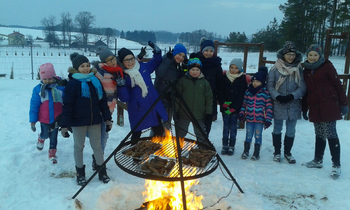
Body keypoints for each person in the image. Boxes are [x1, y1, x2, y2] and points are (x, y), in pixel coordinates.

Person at [60, 53, 112, 185]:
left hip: (94, 121)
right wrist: (64, 125)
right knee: (79, 147)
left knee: (97, 147)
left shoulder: (95, 81)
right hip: (78, 122)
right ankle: (80, 174)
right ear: (76, 68)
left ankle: (102, 172)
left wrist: (107, 119)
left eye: (88, 65)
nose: (86, 68)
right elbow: (67, 106)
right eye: (82, 66)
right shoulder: (73, 84)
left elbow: (102, 102)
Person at [301, 44, 348, 177]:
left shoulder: (327, 66)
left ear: (320, 56)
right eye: (310, 55)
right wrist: (304, 108)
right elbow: (306, 91)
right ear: (307, 56)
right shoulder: (306, 70)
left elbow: (338, 85)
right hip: (315, 106)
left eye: (315, 55)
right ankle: (318, 160)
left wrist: (344, 104)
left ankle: (336, 164)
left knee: (331, 134)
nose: (312, 57)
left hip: (329, 106)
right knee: (319, 133)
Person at [117, 41, 168, 145]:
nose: (130, 62)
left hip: (152, 104)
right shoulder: (123, 76)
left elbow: (156, 62)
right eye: (127, 60)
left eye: (131, 58)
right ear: (122, 62)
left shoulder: (143, 67)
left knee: (159, 130)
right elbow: (124, 98)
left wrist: (157, 52)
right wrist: (121, 86)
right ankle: (135, 158)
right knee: (136, 135)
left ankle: (156, 152)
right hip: (137, 108)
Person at [267, 41, 306, 163]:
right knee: (277, 128)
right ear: (283, 55)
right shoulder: (274, 69)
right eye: (288, 54)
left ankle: (288, 152)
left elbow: (303, 87)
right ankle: (277, 151)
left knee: (291, 129)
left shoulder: (298, 69)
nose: (291, 57)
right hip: (279, 103)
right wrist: (277, 96)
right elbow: (270, 85)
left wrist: (292, 96)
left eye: (293, 54)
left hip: (293, 103)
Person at [92, 46, 125, 170]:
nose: (112, 61)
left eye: (113, 58)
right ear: (103, 62)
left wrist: (121, 85)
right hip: (100, 109)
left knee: (104, 135)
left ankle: (97, 159)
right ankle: (98, 161)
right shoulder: (99, 73)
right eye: (108, 60)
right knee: (101, 136)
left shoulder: (117, 71)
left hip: (109, 110)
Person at [29, 63, 65, 164]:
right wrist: (33, 121)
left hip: (57, 118)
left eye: (50, 79)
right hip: (44, 119)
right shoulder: (38, 89)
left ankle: (52, 153)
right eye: (45, 79)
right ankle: (41, 138)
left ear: (54, 77)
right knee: (45, 135)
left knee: (54, 137)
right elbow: (34, 105)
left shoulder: (60, 88)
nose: (47, 81)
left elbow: (66, 101)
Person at [239, 67, 273, 160]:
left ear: (262, 82)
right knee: (248, 134)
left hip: (259, 119)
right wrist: (242, 113)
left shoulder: (265, 93)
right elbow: (244, 104)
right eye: (253, 81)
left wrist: (268, 119)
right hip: (249, 118)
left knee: (258, 135)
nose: (255, 83)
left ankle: (256, 152)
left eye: (257, 81)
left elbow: (269, 107)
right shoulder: (248, 92)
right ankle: (246, 151)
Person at [176, 58, 213, 142]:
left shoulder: (205, 83)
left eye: (197, 70)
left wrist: (208, 113)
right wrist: (177, 111)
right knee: (181, 132)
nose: (195, 72)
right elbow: (177, 97)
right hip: (184, 113)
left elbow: (209, 98)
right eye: (192, 69)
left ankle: (202, 149)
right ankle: (177, 148)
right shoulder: (182, 81)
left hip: (199, 113)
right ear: (188, 70)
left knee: (200, 133)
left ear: (200, 71)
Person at [154, 43, 188, 131]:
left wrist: (184, 68)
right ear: (174, 53)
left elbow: (179, 77)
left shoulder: (175, 65)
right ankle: (154, 143)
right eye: (179, 54)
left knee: (166, 124)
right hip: (160, 98)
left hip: (169, 99)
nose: (180, 58)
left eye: (183, 56)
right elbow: (159, 73)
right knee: (158, 126)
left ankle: (164, 142)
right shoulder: (166, 60)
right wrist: (168, 59)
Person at [193, 38, 223, 137]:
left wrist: (221, 99)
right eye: (206, 50)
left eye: (211, 51)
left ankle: (205, 141)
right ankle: (199, 140)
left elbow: (220, 83)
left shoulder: (217, 65)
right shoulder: (196, 62)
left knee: (208, 121)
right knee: (197, 120)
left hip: (211, 98)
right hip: (197, 97)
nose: (208, 53)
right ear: (202, 50)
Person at [217, 58, 248, 155]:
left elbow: (241, 95)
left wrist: (235, 107)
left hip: (235, 109)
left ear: (240, 69)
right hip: (225, 107)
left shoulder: (242, 79)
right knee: (226, 126)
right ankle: (225, 145)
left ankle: (232, 146)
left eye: (235, 68)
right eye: (231, 67)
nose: (233, 70)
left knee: (233, 127)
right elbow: (220, 91)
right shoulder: (224, 77)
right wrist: (223, 103)